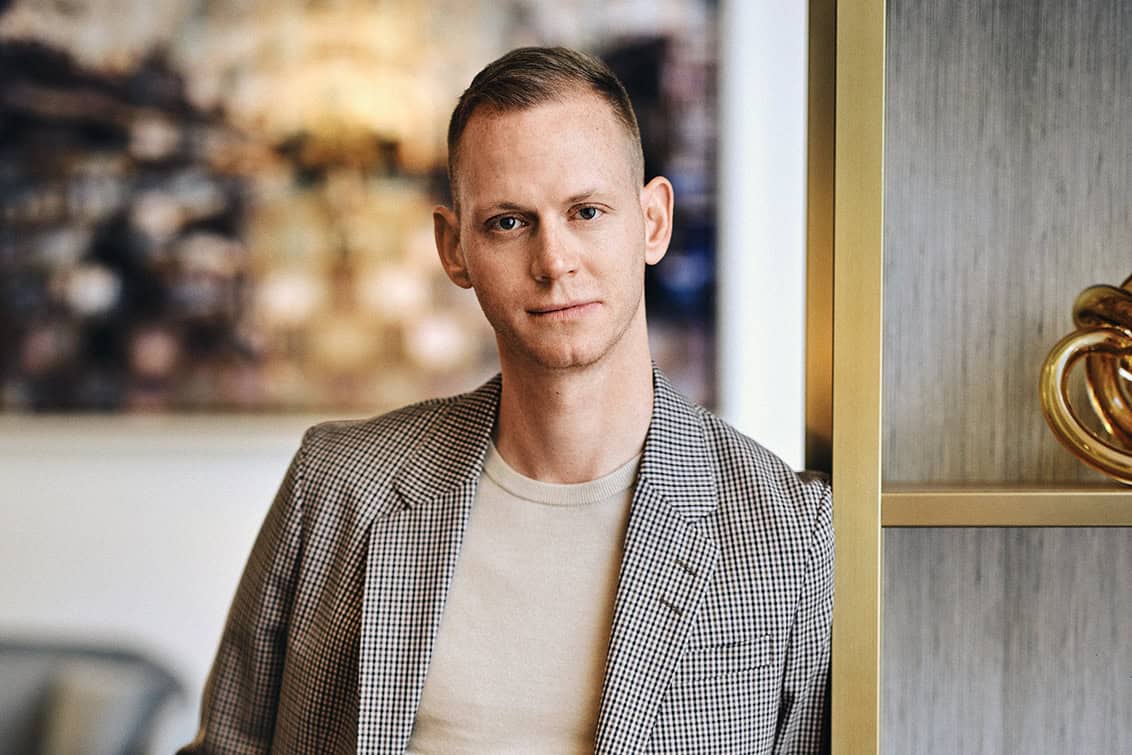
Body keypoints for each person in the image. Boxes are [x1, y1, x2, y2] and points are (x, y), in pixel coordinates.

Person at [181, 46, 832, 755]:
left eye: (586, 211)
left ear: (652, 221)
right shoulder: (337, 486)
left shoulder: (791, 534)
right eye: (509, 223)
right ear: (453, 247)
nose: (554, 262)